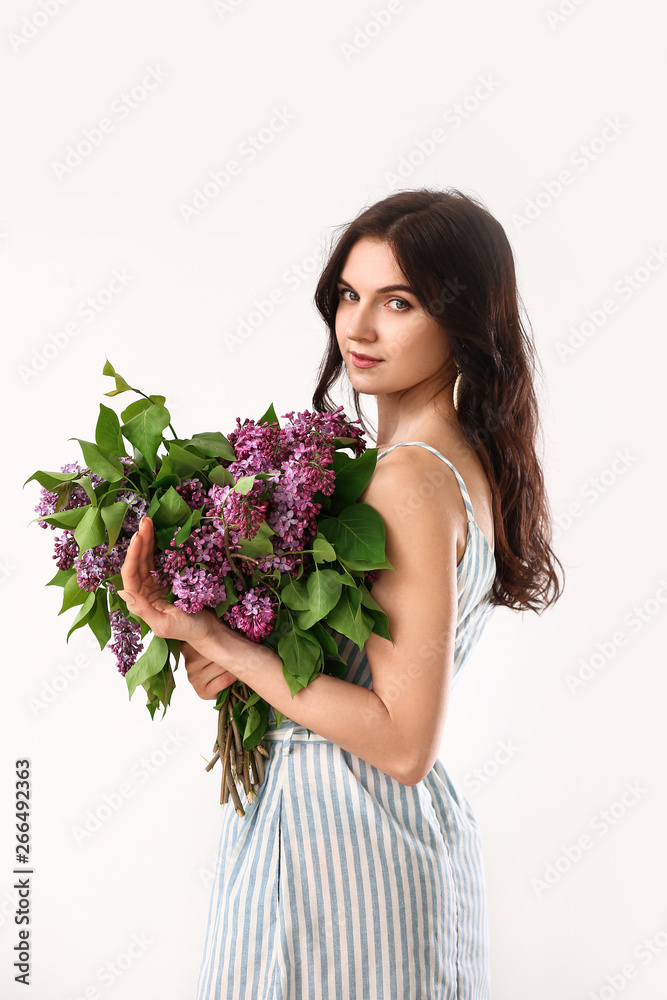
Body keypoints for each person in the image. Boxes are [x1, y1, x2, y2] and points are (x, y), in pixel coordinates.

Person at [118, 187, 564, 999]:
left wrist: (220, 640)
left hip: (339, 848)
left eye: (398, 302)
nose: (357, 327)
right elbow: (368, 684)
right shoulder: (452, 465)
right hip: (363, 845)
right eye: (348, 296)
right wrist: (238, 663)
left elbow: (400, 743)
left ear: (461, 319)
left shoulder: (407, 479)